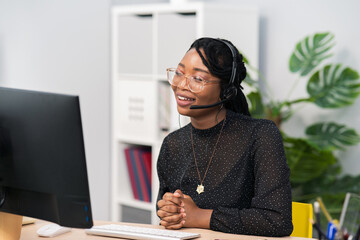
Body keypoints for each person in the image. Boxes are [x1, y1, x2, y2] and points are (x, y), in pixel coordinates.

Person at [156, 37, 293, 237]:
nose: (181, 85)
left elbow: (277, 221)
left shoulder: (260, 135)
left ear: (227, 91)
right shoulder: (173, 143)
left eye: (198, 79)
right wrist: (169, 211)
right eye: (179, 73)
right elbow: (169, 214)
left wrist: (199, 216)